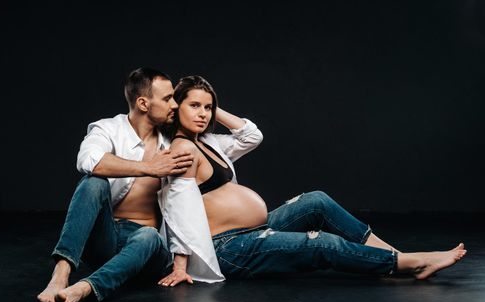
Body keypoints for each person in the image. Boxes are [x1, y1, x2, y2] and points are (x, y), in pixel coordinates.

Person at [156, 75, 467, 288]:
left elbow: (252, 135)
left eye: (207, 107)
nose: (202, 113)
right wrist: (181, 266)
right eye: (193, 106)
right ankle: (410, 263)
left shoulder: (209, 141)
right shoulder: (183, 148)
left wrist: (210, 106)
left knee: (316, 200)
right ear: (176, 107)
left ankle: (397, 257)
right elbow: (179, 207)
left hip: (253, 232)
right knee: (320, 243)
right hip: (229, 249)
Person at [37, 67, 194, 302]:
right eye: (167, 99)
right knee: (93, 181)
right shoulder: (108, 129)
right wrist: (148, 167)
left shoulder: (175, 140)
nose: (175, 104)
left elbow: (245, 138)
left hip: (148, 249)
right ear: (143, 103)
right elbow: (89, 161)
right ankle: (61, 273)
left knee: (149, 235)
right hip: (106, 236)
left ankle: (86, 288)